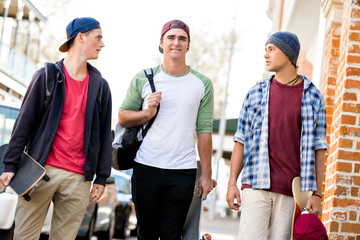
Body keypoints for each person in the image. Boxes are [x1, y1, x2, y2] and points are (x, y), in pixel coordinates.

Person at [0, 17, 112, 240]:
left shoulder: (100, 86)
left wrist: (101, 177)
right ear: (81, 38)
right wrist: (10, 164)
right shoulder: (46, 76)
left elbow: (103, 135)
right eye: (98, 37)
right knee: (25, 236)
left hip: (78, 178)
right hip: (40, 173)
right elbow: (24, 123)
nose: (102, 44)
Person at [226, 31, 328, 240]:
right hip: (255, 186)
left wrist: (317, 194)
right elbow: (240, 140)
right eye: (265, 50)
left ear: (289, 54)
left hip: (291, 193)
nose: (266, 55)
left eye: (271, 49)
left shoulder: (313, 95)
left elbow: (319, 147)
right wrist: (232, 184)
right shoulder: (255, 92)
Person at [118, 19, 214, 239]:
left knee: (172, 235)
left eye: (182, 38)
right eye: (171, 37)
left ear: (188, 45)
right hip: (145, 167)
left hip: (183, 171)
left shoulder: (202, 84)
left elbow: (204, 131)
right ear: (161, 43)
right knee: (146, 234)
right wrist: (146, 114)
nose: (176, 42)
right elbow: (123, 117)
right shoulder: (144, 78)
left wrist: (207, 174)